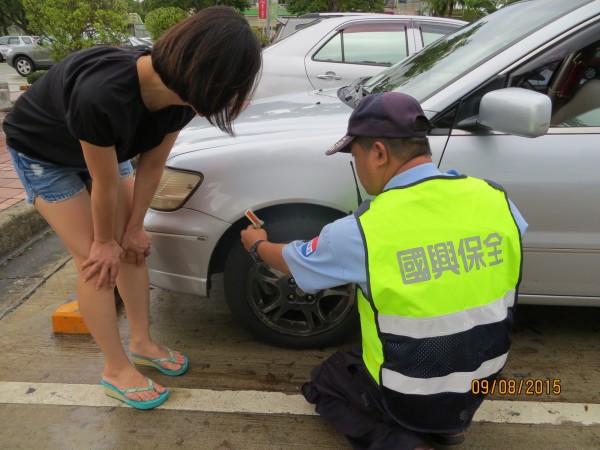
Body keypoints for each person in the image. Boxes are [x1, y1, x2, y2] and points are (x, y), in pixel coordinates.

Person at [3, 7, 262, 410]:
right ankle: (115, 368)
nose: (237, 98)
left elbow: (153, 164)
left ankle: (141, 342)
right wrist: (105, 240)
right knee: (97, 262)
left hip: (107, 146)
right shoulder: (102, 94)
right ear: (207, 74)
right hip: (45, 153)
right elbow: (104, 183)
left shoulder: (181, 99)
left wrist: (133, 228)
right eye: (235, 86)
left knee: (134, 248)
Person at [240, 92, 527, 449]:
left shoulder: (363, 230)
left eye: (354, 155)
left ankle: (402, 441)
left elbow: (293, 263)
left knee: (326, 380)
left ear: (378, 152)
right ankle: (450, 426)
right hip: (482, 379)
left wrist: (256, 243)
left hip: (408, 391)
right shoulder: (496, 199)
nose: (356, 167)